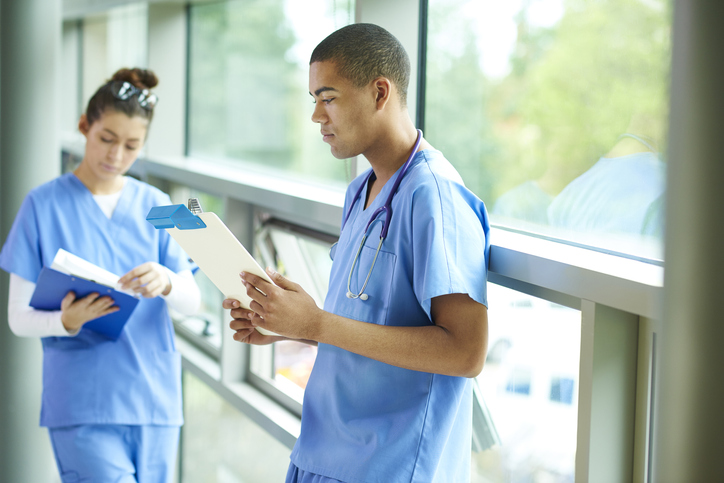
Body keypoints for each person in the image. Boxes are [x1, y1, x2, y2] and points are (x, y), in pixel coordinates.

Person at [225, 24, 490, 482]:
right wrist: (291, 325)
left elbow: (466, 352)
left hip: (386, 464)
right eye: (313, 100)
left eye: (327, 98)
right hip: (322, 449)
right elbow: (368, 323)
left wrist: (316, 324)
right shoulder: (360, 191)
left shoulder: (436, 197)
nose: (315, 117)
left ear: (379, 93)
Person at [0, 68, 200, 483]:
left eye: (132, 146)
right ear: (84, 127)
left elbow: (194, 302)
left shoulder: (160, 204)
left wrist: (167, 280)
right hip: (81, 404)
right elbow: (17, 318)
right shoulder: (41, 205)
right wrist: (65, 321)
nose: (116, 156)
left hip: (154, 399)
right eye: (107, 139)